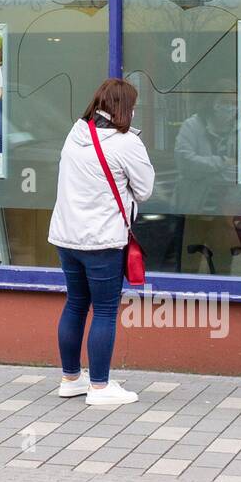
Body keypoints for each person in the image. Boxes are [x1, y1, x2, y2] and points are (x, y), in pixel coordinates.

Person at [48, 77, 154, 406]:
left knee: (76, 304)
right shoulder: (126, 143)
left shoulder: (75, 133)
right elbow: (146, 189)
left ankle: (70, 379)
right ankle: (99, 386)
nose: (134, 113)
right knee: (105, 310)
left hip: (67, 237)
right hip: (101, 241)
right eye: (133, 107)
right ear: (126, 109)